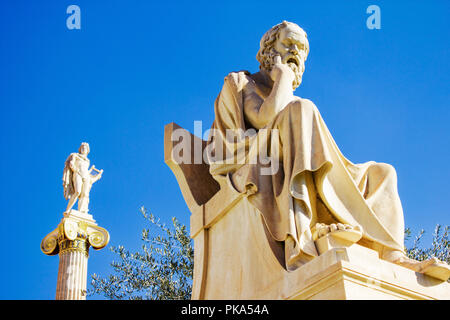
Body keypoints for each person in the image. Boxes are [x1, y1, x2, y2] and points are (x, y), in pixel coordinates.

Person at [207, 21, 446, 275]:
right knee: (301, 109)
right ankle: (308, 234)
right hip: (257, 161)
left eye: (301, 49)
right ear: (268, 50)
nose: (295, 53)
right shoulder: (242, 83)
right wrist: (284, 77)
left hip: (291, 159)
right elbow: (266, 116)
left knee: (383, 174)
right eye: (288, 44)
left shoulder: (292, 102)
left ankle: (393, 255)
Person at [63, 142, 103, 213]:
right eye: (82, 147)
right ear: (80, 149)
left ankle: (82, 211)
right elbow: (71, 164)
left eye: (85, 148)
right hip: (78, 173)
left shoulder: (88, 160)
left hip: (86, 176)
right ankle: (68, 209)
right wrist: (76, 170)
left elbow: (86, 171)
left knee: (85, 194)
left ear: (87, 150)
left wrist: (97, 175)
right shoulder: (75, 155)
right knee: (77, 191)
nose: (83, 149)